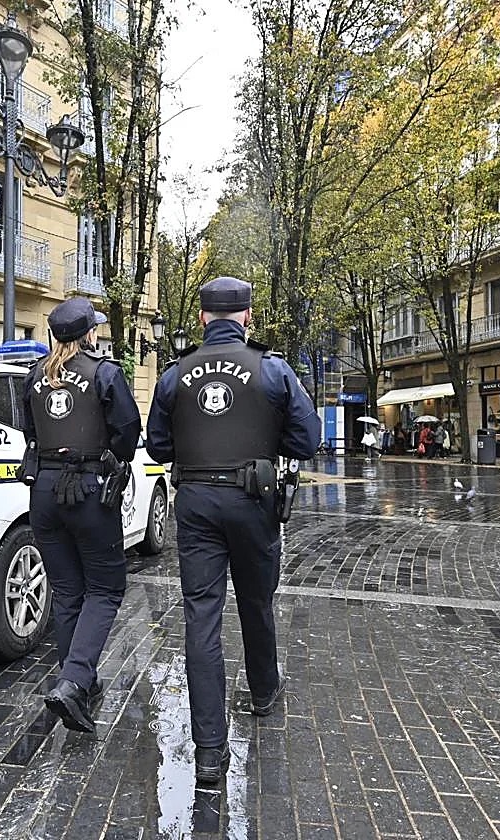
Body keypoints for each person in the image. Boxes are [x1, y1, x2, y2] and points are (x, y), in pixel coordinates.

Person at [146, 277, 320, 784]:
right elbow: (307, 439)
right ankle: (263, 690)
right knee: (256, 600)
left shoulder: (175, 373)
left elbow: (157, 446)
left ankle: (207, 751)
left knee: (201, 616)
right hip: (253, 500)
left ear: (203, 318)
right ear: (246, 316)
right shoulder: (272, 369)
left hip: (196, 503)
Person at [22, 297, 142, 730]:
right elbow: (128, 433)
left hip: (44, 491)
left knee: (68, 591)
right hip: (89, 490)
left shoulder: (34, 374)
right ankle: (73, 683)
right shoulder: (104, 372)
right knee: (106, 589)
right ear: (90, 333)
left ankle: (78, 683)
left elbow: (29, 431)